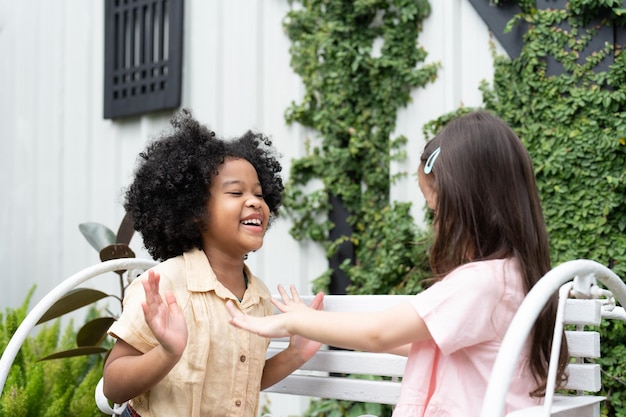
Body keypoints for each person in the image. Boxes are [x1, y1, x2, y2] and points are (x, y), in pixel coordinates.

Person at [227, 110, 568, 416]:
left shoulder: (480, 282)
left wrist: (297, 321)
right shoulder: (514, 276)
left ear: (469, 206)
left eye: (436, 211)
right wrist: (317, 325)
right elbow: (415, 341)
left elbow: (379, 333)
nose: (435, 225)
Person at [103, 109, 323, 417]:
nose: (255, 201)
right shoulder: (164, 287)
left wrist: (295, 354)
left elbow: (238, 384)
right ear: (193, 210)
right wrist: (167, 353)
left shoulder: (257, 297)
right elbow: (113, 385)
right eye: (236, 192)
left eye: (260, 194)